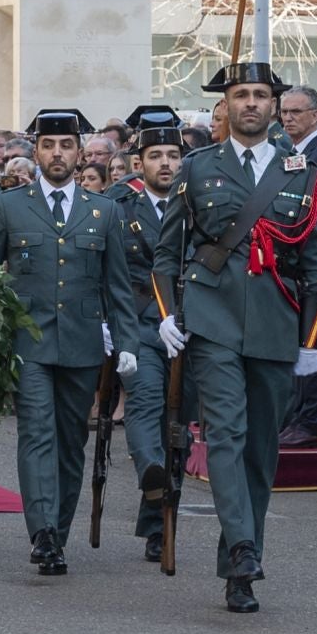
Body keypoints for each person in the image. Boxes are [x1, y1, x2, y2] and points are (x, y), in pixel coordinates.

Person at [154, 65, 317, 614]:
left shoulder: (301, 170)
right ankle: (244, 547)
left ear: (275, 106)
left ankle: (239, 572)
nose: (251, 104)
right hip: (213, 320)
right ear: (225, 107)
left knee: (260, 449)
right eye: (240, 96)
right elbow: (166, 253)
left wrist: (310, 342)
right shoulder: (198, 167)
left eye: (260, 95)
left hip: (276, 322)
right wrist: (168, 314)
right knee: (226, 435)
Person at [0, 109, 138, 579]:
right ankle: (42, 531)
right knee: (36, 434)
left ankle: (59, 533)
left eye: (65, 146)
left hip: (83, 344)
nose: (56, 154)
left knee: (71, 442)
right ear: (36, 150)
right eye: (48, 145)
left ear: (79, 151)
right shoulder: (10, 206)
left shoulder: (104, 210)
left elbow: (118, 286)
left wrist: (126, 340)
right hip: (28, 341)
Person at [111, 106, 191, 562]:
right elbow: (115, 275)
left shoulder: (201, 202)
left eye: (173, 155)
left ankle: (159, 524)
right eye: (156, 155)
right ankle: (149, 470)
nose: (166, 163)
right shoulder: (122, 206)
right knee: (145, 403)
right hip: (140, 321)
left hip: (190, 324)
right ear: (139, 163)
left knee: (178, 426)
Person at [277, 86, 317, 450]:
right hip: (291, 263)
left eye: (296, 111)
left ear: (315, 115)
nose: (288, 118)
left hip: (315, 257)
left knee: (312, 345)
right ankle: (296, 415)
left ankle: (311, 420)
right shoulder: (288, 152)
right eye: (284, 111)